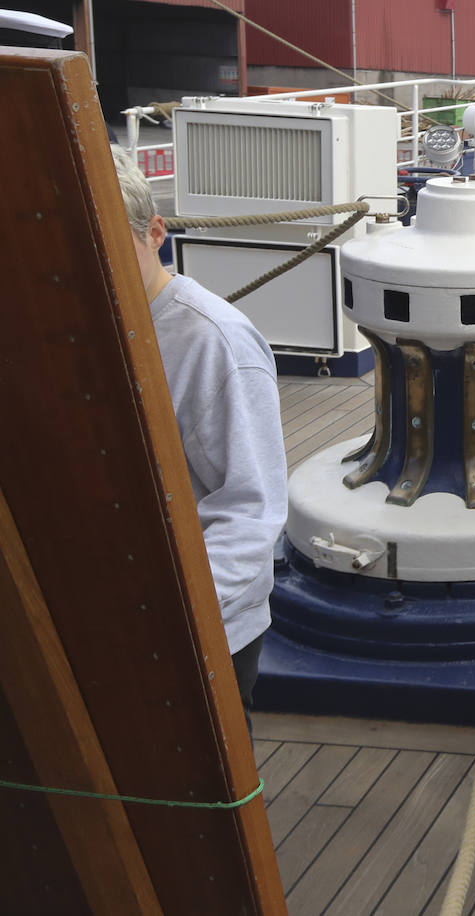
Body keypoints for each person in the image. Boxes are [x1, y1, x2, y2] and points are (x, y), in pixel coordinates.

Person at [111, 144, 288, 734]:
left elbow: (250, 511)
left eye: (110, 243)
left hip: (196, 629)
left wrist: (165, 622)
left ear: (155, 231)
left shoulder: (214, 344)